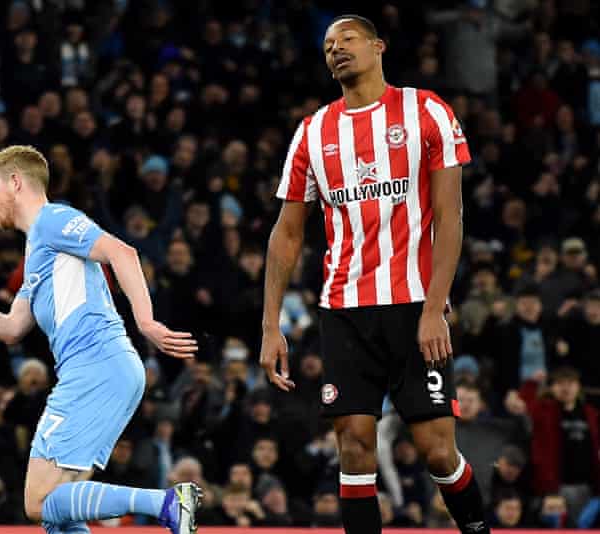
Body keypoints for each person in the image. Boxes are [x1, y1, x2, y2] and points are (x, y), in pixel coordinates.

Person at [260, 15, 489, 534]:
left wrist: (435, 307)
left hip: (414, 307)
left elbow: (450, 218)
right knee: (355, 448)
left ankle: (477, 529)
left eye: (347, 40)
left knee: (436, 452)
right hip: (344, 312)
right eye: (327, 46)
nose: (336, 49)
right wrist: (271, 325)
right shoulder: (313, 132)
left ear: (378, 45)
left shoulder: (426, 111)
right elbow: (287, 233)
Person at [0, 145, 200, 534]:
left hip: (96, 368)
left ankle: (166, 502)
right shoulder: (38, 249)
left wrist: (147, 322)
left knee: (37, 502)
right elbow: (10, 329)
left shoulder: (53, 219)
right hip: (104, 370)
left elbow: (123, 253)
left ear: (16, 183)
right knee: (58, 512)